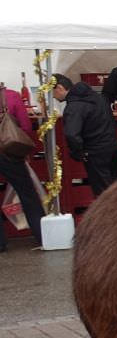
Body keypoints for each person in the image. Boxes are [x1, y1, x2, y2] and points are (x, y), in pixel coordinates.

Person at [53, 73, 117, 195]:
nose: (53, 97)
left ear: (59, 88)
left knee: (103, 194)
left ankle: (110, 213)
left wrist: (78, 153)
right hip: (112, 146)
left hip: (95, 151)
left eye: (53, 93)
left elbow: (71, 134)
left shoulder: (74, 106)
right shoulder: (98, 98)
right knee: (115, 187)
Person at [0, 84, 45, 251]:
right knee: (27, 194)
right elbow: (25, 127)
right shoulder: (11, 96)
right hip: (9, 152)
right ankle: (41, 235)